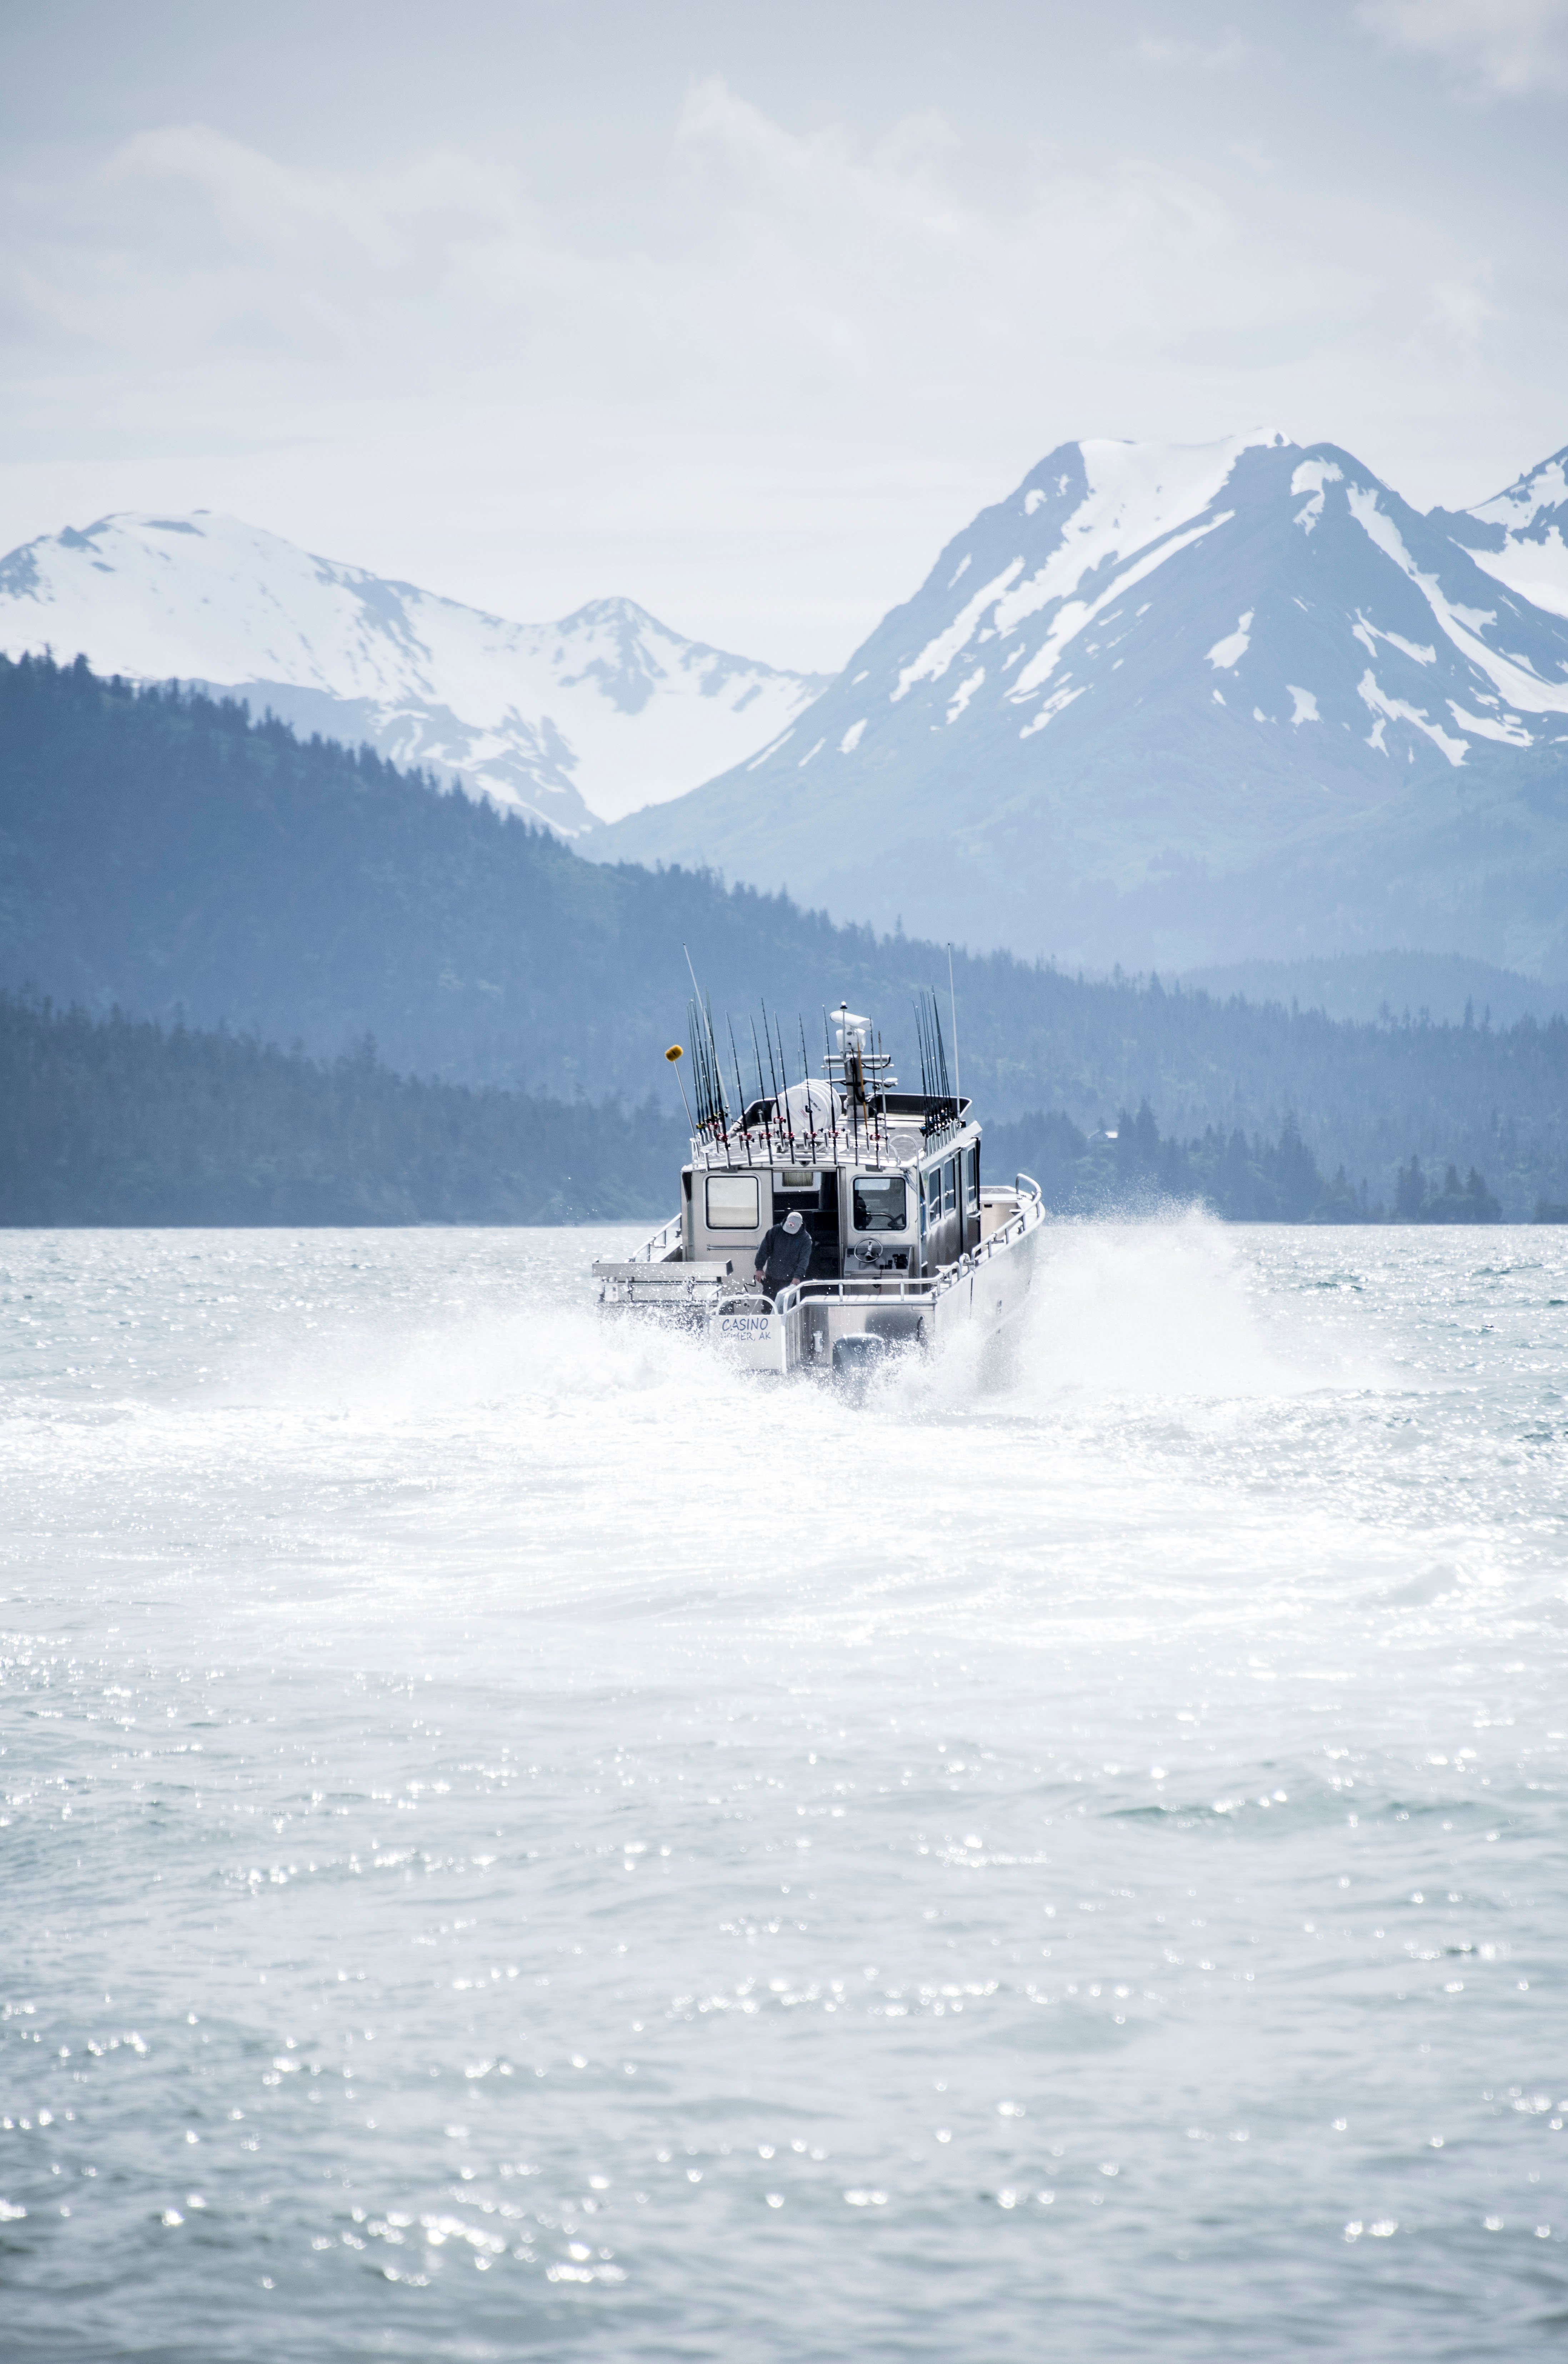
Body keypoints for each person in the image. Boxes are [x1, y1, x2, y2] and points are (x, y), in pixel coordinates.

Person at [754, 1207, 812, 1298]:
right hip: (771, 1277)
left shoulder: (806, 1239)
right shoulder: (775, 1231)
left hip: (790, 1280)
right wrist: (759, 1268)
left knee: (787, 1307)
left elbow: (804, 1260)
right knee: (768, 1307)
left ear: (801, 1225)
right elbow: (764, 1249)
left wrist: (797, 1277)